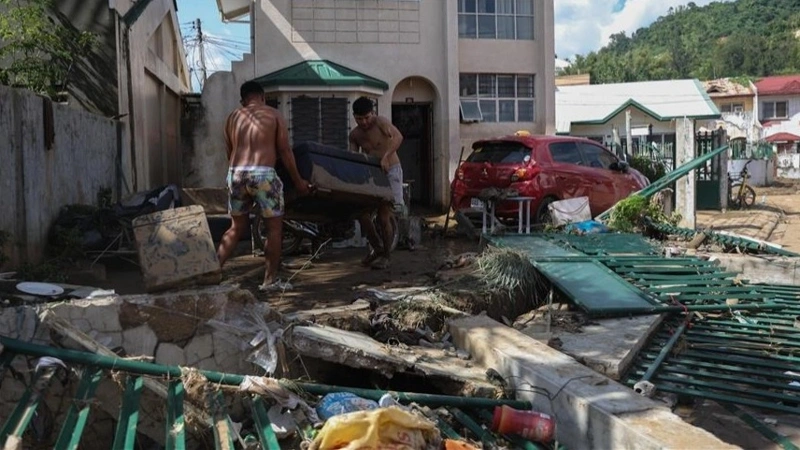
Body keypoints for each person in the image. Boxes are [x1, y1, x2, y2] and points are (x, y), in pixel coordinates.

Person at [217, 81, 310, 292]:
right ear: (263, 97)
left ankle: (213, 270)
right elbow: (285, 151)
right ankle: (269, 281)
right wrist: (298, 182)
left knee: (235, 227)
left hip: (236, 174)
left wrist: (236, 176)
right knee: (274, 229)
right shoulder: (274, 114)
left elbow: (229, 151)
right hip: (263, 174)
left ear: (243, 100)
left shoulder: (232, 118)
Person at [348, 96, 404, 269]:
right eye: (359, 119)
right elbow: (354, 157)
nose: (364, 122)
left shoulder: (380, 122)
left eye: (367, 117)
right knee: (362, 214)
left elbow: (398, 137)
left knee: (383, 216)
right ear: (354, 117)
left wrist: (386, 156)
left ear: (372, 113)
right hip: (371, 174)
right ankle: (377, 249)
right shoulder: (355, 134)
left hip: (390, 170)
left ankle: (386, 256)